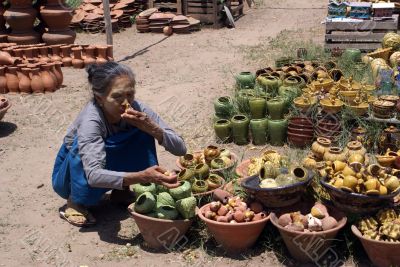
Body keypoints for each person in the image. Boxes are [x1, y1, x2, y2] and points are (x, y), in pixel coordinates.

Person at [52, 62, 187, 227]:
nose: (126, 103)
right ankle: (75, 202)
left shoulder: (138, 109)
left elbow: (181, 149)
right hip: (72, 176)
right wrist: (143, 176)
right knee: (92, 148)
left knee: (140, 130)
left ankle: (120, 193)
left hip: (105, 166)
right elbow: (93, 175)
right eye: (117, 96)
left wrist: (153, 129)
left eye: (130, 94)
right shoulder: (92, 121)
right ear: (99, 98)